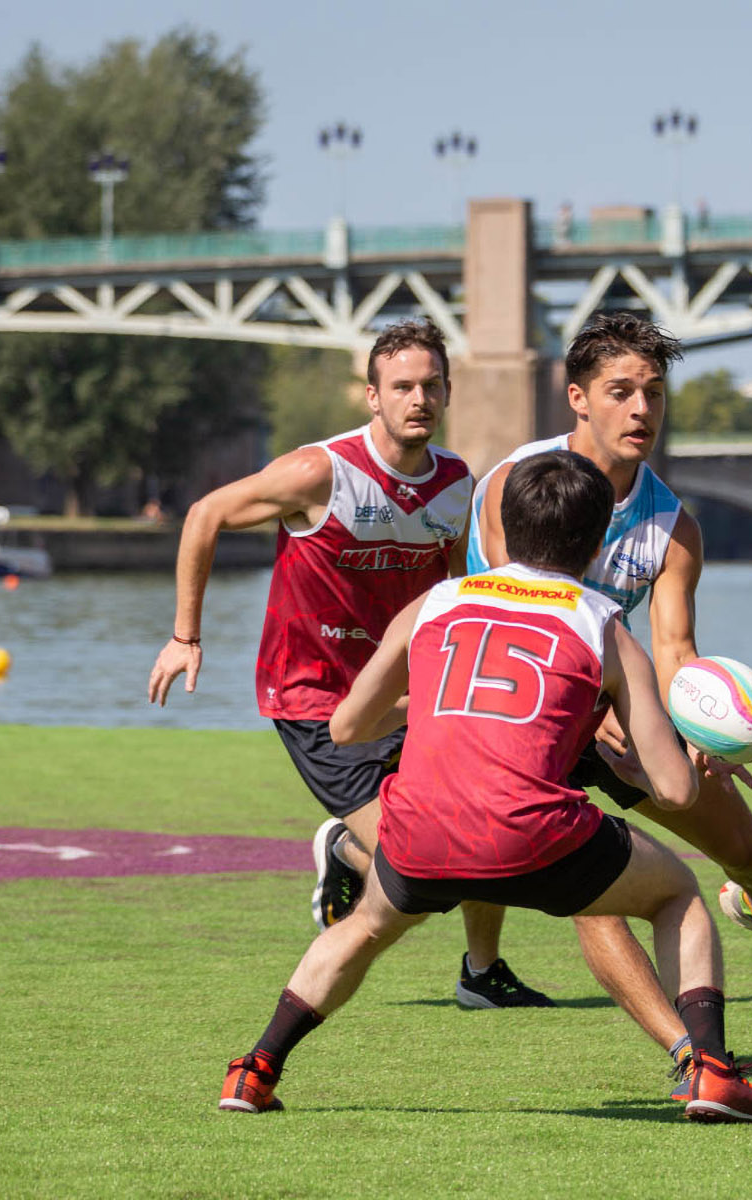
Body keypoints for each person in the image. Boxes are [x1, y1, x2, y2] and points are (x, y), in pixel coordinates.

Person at [218, 450, 752, 1124]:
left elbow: (345, 728)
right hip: (535, 837)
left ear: (507, 526)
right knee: (678, 895)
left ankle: (254, 1069)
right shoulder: (602, 624)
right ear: (599, 536)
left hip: (420, 831)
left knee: (367, 925)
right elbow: (673, 792)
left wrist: (425, 702)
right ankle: (715, 1072)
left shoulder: (434, 603)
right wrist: (693, 751)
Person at [461, 312, 752, 1054]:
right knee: (596, 885)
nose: (641, 409)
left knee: (747, 845)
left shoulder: (672, 526)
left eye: (653, 392)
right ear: (577, 398)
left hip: (615, 709)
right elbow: (514, 618)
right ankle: (694, 1053)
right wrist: (601, 704)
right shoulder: (520, 486)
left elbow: (674, 647)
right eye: (620, 392)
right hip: (520, 717)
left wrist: (701, 727)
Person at [147, 318, 553, 1009]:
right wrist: (186, 635)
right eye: (401, 387)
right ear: (372, 396)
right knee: (429, 870)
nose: (417, 399)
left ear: (448, 392)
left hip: (408, 694)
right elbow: (204, 514)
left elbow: (451, 587)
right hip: (316, 701)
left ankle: (483, 975)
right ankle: (344, 848)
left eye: (430, 386)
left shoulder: (457, 485)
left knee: (483, 822)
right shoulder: (321, 472)